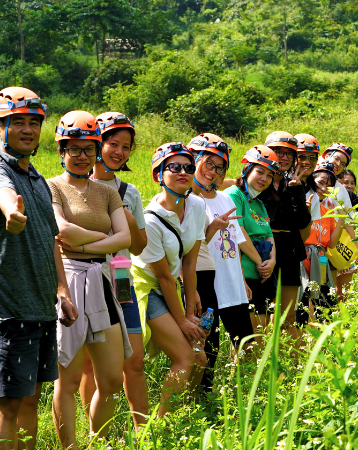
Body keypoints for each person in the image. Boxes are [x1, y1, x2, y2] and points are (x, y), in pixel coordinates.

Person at [0, 86, 77, 450]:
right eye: (17, 122)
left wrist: (61, 292)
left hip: (41, 308)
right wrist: (11, 214)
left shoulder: (36, 179)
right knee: (8, 404)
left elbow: (51, 240)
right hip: (8, 309)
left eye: (34, 123)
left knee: (31, 397)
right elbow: (2, 196)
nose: (28, 130)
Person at [47, 110, 132, 448]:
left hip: (103, 279)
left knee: (111, 380)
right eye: (74, 149)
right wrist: (97, 238)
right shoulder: (51, 187)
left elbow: (125, 239)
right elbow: (61, 231)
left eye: (88, 149)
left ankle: (100, 442)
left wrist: (84, 241)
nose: (82, 156)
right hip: (68, 278)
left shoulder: (107, 192)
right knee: (66, 380)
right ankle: (68, 446)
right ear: (62, 151)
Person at [78, 111, 150, 431]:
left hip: (121, 276)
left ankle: (142, 430)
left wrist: (129, 222)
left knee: (134, 361)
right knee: (89, 366)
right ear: (97, 143)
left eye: (126, 146)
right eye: (112, 143)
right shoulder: (74, 184)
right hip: (86, 278)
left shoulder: (129, 192)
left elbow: (139, 248)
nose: (119, 151)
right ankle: (98, 430)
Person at [131, 142, 208, 418]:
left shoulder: (197, 205)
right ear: (158, 174)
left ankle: (183, 417)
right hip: (147, 286)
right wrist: (182, 321)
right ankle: (159, 428)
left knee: (200, 357)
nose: (183, 172)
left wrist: (189, 311)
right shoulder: (150, 220)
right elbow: (162, 276)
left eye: (188, 167)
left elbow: (190, 260)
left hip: (174, 284)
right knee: (185, 357)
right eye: (174, 167)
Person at [187, 133, 254, 392]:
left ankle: (241, 392)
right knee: (208, 347)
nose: (213, 172)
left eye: (219, 167)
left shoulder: (224, 199)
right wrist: (212, 227)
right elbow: (189, 249)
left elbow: (234, 242)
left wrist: (242, 280)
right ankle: (202, 398)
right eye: (208, 164)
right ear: (193, 161)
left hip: (231, 283)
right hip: (205, 286)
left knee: (245, 342)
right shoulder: (186, 201)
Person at [261, 131, 313, 342]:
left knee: (288, 315)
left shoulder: (294, 183)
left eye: (288, 154)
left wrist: (296, 191)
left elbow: (302, 222)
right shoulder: (259, 181)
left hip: (290, 251)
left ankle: (287, 366)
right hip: (264, 250)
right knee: (261, 315)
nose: (283, 158)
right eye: (277, 152)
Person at [225, 146, 280, 341]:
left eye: (269, 175)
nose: (264, 178)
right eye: (259, 171)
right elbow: (237, 231)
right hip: (244, 274)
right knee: (246, 339)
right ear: (247, 170)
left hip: (262, 274)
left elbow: (268, 234)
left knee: (261, 334)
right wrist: (259, 261)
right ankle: (239, 372)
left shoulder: (259, 204)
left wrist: (272, 261)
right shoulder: (233, 194)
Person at [302, 160, 346, 324]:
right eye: (321, 182)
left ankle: (325, 342)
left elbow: (332, 243)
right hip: (302, 261)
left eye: (329, 186)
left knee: (326, 307)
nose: (324, 188)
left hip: (320, 261)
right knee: (302, 307)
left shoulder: (327, 212)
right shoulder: (301, 205)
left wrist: (341, 217)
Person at [321, 143, 358, 303]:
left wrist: (356, 248)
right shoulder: (312, 178)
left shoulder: (339, 188)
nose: (338, 164)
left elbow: (348, 220)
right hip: (313, 242)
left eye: (342, 163)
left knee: (327, 290)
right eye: (336, 158)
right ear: (325, 155)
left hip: (333, 244)